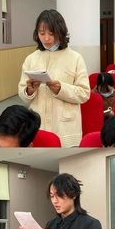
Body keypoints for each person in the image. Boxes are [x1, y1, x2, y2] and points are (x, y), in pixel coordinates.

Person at [18, 10, 90, 147]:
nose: (46, 39)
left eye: (51, 33)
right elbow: (22, 94)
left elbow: (84, 94)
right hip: (38, 127)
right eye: (42, 33)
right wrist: (29, 91)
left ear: (61, 32)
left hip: (65, 129)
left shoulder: (75, 58)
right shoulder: (31, 59)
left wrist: (61, 89)